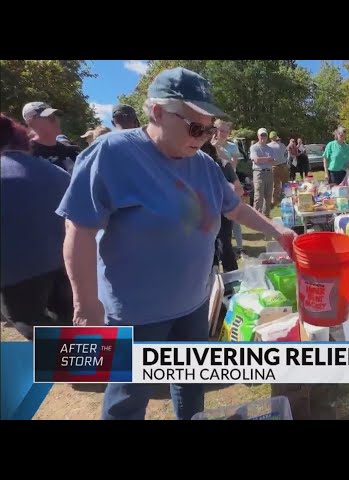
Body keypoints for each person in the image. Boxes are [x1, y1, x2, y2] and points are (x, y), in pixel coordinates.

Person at [55, 67, 296, 420]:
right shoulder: (112, 154)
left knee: (190, 382)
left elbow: (235, 209)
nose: (202, 137)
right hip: (135, 314)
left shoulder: (203, 163)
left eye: (209, 128)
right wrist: (85, 303)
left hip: (194, 303)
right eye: (194, 127)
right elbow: (79, 230)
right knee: (128, 399)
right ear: (156, 112)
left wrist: (278, 231)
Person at [1, 113, 73, 340]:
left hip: (16, 271)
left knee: (28, 320)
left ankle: (86, 366)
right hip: (64, 262)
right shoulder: (58, 173)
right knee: (68, 318)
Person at [211, 119, 244, 256]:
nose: (224, 133)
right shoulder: (207, 145)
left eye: (226, 131)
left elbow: (231, 165)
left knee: (234, 216)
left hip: (231, 184)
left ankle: (240, 247)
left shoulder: (232, 146)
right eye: (221, 130)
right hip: (214, 186)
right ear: (215, 131)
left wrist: (218, 148)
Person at [22, 101, 80, 173]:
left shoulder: (70, 152)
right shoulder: (24, 155)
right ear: (31, 122)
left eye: (55, 116)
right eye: (50, 117)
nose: (56, 120)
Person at [250, 128, 275, 217]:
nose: (263, 137)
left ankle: (266, 216)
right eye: (261, 135)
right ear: (258, 136)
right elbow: (256, 160)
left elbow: (273, 161)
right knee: (258, 196)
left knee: (268, 197)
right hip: (259, 173)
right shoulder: (254, 147)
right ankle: (256, 217)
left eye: (265, 135)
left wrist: (263, 159)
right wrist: (267, 159)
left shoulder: (270, 148)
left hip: (269, 173)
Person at [268, 131, 289, 205]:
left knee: (275, 184)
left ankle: (274, 201)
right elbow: (285, 154)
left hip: (274, 167)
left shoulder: (268, 146)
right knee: (285, 184)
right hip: (283, 166)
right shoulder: (282, 145)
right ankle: (287, 199)